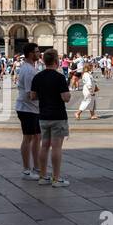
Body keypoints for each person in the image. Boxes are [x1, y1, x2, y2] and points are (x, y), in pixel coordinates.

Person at [28, 49, 72, 187]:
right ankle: (56, 178)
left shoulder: (37, 77)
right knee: (56, 147)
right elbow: (65, 98)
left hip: (43, 116)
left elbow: (32, 96)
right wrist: (67, 94)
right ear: (56, 61)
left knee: (44, 146)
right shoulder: (59, 77)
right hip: (58, 116)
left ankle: (42, 176)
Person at [14, 42, 42, 181]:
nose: (39, 53)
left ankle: (36, 167)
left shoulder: (29, 68)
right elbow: (31, 94)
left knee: (37, 137)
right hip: (27, 109)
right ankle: (26, 170)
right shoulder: (29, 71)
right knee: (28, 138)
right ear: (31, 54)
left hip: (32, 109)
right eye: (37, 51)